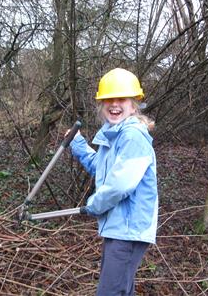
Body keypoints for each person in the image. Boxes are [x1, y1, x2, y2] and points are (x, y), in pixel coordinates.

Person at [69, 68, 158, 295]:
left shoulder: (132, 136)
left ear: (133, 104)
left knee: (110, 292)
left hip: (128, 229)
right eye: (109, 99)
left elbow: (120, 185)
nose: (114, 104)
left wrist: (94, 205)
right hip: (119, 227)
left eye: (121, 99)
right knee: (121, 290)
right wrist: (78, 145)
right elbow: (102, 169)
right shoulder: (116, 134)